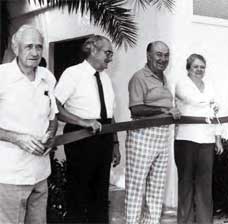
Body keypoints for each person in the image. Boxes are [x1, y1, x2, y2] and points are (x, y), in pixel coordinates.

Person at [54, 35, 121, 223]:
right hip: (80, 137)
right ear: (92, 50)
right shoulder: (73, 73)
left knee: (100, 194)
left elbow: (109, 113)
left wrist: (115, 143)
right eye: (107, 52)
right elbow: (55, 107)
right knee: (78, 193)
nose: (110, 58)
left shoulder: (106, 79)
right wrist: (83, 122)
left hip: (104, 137)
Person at [0, 25, 58, 224]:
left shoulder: (47, 77)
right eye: (29, 46)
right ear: (16, 48)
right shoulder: (2, 76)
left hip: (40, 174)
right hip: (10, 175)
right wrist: (16, 138)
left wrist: (50, 135)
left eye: (39, 47)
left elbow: (53, 117)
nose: (35, 53)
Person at [125, 41, 180, 224]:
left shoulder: (164, 78)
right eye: (158, 54)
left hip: (163, 136)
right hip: (142, 135)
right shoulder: (139, 77)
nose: (163, 59)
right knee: (135, 188)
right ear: (148, 55)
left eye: (166, 55)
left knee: (156, 190)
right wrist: (163, 111)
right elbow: (135, 109)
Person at [174, 53, 224, 224]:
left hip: (207, 141)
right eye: (195, 66)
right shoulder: (182, 84)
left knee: (205, 187)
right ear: (188, 68)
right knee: (186, 185)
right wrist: (210, 103)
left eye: (202, 67)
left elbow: (217, 112)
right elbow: (192, 100)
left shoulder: (210, 85)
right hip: (186, 140)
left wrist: (218, 138)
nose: (199, 70)